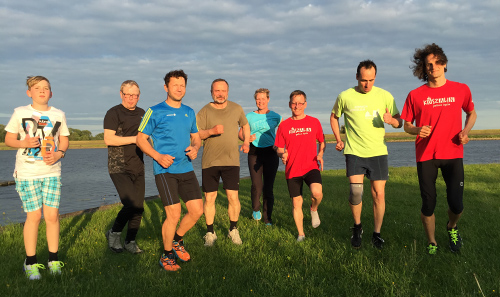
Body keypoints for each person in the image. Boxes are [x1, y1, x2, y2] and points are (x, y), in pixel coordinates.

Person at [400, 43, 477, 254]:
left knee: (457, 204)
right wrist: (417, 130)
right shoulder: (415, 95)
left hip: (453, 153)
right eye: (428, 65)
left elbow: (471, 113)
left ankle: (452, 226)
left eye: (436, 63)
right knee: (428, 204)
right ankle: (432, 242)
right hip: (426, 156)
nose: (432, 67)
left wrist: (466, 131)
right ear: (423, 69)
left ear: (444, 64)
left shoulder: (461, 89)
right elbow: (406, 124)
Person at [330, 60, 402, 249]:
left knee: (378, 194)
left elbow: (400, 121)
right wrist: (338, 138)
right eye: (363, 80)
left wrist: (393, 121)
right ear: (357, 77)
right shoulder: (345, 96)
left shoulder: (385, 96)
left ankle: (376, 234)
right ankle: (357, 226)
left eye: (370, 80)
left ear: (375, 77)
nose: (367, 84)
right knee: (356, 192)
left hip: (378, 152)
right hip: (354, 151)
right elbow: (334, 116)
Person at [136, 70, 203, 271]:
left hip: (186, 168)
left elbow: (196, 136)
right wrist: (157, 156)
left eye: (182, 85)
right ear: (166, 87)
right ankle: (166, 256)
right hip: (165, 170)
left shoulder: (189, 112)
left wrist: (195, 148)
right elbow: (140, 139)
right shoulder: (154, 111)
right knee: (173, 213)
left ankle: (177, 240)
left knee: (196, 211)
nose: (179, 88)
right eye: (175, 85)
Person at [5, 76, 70, 280]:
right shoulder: (20, 112)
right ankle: (31, 262)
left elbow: (64, 140)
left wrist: (59, 153)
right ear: (29, 92)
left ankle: (53, 259)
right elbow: (8, 139)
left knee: (52, 217)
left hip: (52, 173)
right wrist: (23, 142)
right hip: (27, 173)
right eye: (37, 88)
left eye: (46, 88)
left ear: (51, 93)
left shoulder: (59, 114)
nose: (42, 91)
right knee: (33, 217)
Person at [197, 78, 251, 246]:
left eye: (223, 90)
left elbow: (245, 125)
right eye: (216, 91)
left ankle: (233, 230)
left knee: (232, 197)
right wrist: (211, 131)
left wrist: (247, 142)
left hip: (231, 161)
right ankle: (210, 232)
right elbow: (196, 134)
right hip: (210, 161)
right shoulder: (204, 111)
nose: (220, 94)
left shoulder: (236, 108)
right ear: (211, 92)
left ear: (228, 91)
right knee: (210, 198)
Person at [274, 90, 325, 242]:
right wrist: (282, 154)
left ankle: (314, 209)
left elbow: (322, 141)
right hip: (292, 170)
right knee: (297, 203)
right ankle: (301, 234)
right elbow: (278, 148)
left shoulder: (314, 122)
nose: (297, 106)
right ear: (290, 105)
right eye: (294, 103)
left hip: (311, 166)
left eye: (300, 103)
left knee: (317, 193)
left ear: (305, 104)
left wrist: (320, 154)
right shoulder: (284, 126)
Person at [103, 80, 146, 254]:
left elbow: (147, 137)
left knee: (139, 207)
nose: (131, 99)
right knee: (130, 204)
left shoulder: (143, 113)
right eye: (128, 95)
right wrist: (135, 139)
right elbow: (109, 139)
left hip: (138, 165)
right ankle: (114, 234)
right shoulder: (113, 113)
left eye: (135, 95)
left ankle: (130, 241)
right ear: (121, 94)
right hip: (118, 166)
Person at [238, 88, 281, 225]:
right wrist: (247, 138)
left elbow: (283, 133)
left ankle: (268, 218)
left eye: (263, 99)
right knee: (257, 185)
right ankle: (256, 209)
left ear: (268, 99)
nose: (260, 101)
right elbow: (240, 134)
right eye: (258, 99)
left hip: (271, 153)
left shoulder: (276, 117)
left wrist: (280, 145)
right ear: (255, 100)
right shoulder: (249, 116)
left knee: (269, 187)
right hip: (254, 152)